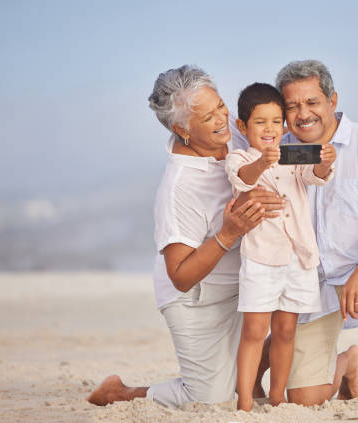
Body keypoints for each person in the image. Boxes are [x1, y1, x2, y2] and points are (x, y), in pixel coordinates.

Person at [87, 65, 272, 407]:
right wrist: (228, 232)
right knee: (209, 398)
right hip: (197, 299)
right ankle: (121, 392)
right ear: (182, 129)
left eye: (220, 106)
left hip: (245, 281)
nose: (222, 119)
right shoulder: (178, 189)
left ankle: (246, 377)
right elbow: (181, 276)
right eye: (208, 117)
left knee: (298, 305)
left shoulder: (236, 133)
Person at [254, 60, 358, 414]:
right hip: (304, 287)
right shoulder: (275, 150)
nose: (303, 114)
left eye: (312, 102)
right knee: (305, 400)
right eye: (292, 106)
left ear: (332, 99)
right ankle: (347, 364)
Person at [225, 83, 336, 410]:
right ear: (242, 126)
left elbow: (314, 175)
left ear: (284, 126)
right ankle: (244, 401)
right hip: (261, 259)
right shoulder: (240, 157)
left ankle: (276, 398)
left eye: (276, 122)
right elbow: (243, 178)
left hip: (299, 259)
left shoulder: (292, 153)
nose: (270, 129)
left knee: (286, 329)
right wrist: (263, 162)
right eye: (260, 122)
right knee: (255, 330)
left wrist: (326, 161)